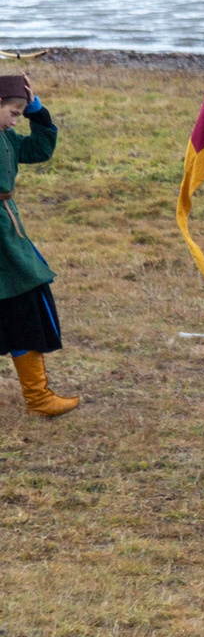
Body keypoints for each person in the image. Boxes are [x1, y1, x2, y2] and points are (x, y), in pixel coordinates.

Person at [0, 72, 75, 416]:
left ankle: (39, 398)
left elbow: (41, 148)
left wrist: (36, 111)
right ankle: (39, 399)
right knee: (20, 303)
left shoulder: (9, 139)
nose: (16, 119)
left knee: (23, 307)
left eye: (19, 113)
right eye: (13, 112)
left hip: (7, 231)